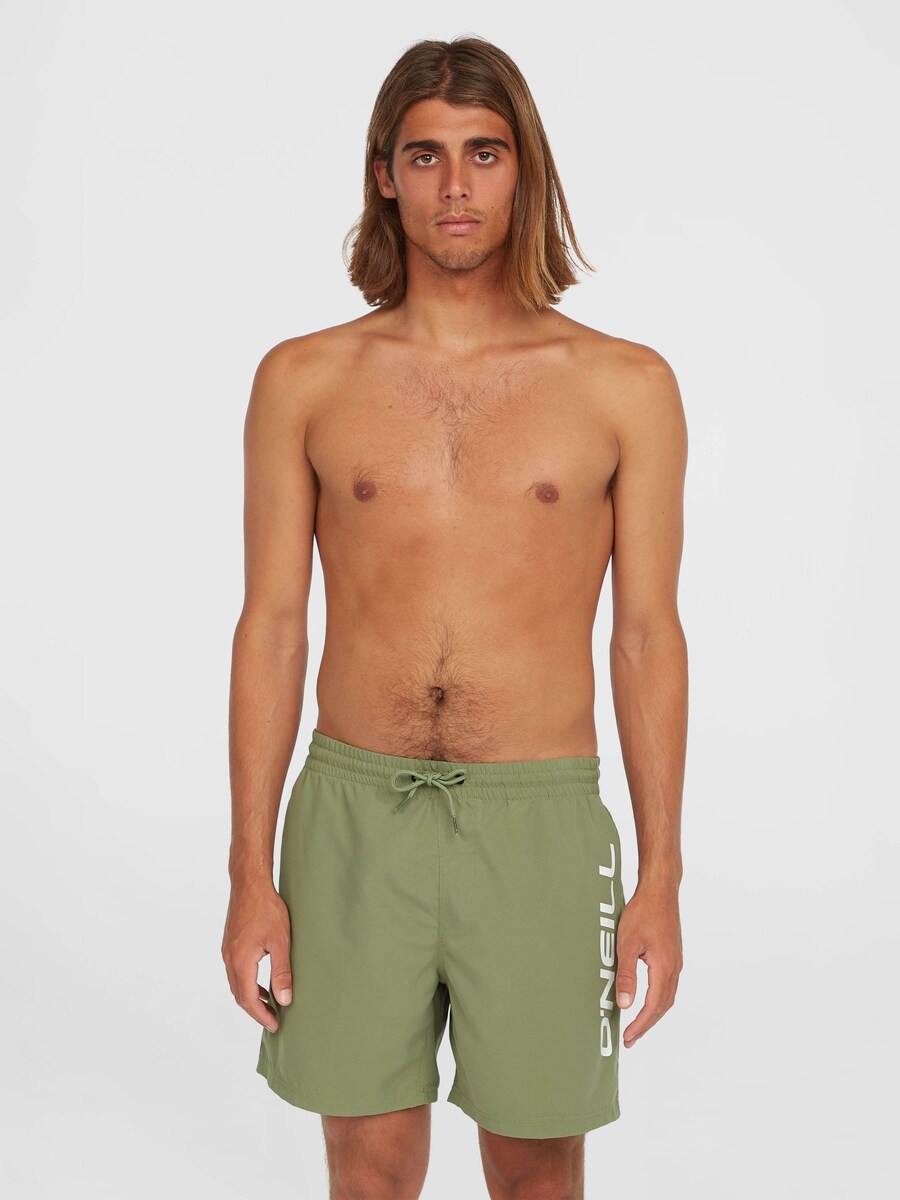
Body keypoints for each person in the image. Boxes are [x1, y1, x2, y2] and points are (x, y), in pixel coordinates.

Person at [222, 34, 687, 1200]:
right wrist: (248, 873)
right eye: (425, 156)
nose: (456, 185)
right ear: (385, 175)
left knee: (537, 1172)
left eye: (484, 152)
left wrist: (663, 876)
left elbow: (647, 638)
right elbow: (271, 627)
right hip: (352, 819)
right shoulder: (305, 379)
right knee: (369, 1171)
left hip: (540, 825)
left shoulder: (623, 386)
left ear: (524, 168)